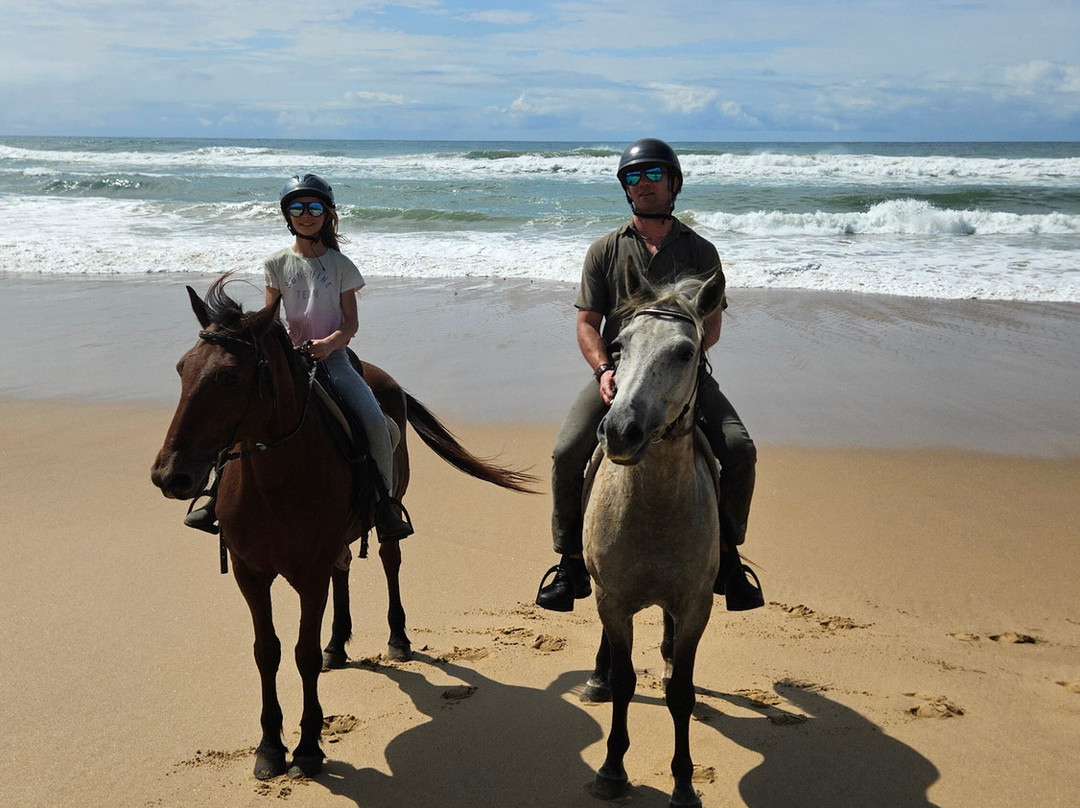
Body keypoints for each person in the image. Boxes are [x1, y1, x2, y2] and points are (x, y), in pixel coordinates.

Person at [534, 138, 764, 612]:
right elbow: (586, 323)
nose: (643, 185)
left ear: (674, 184)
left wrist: (674, 368)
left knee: (740, 449)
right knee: (565, 452)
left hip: (683, 379)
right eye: (633, 178)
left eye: (653, 175)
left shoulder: (701, 252)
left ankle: (728, 556)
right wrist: (603, 369)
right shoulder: (605, 251)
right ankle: (570, 561)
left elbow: (710, 329)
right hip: (619, 376)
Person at [184, 173, 413, 543]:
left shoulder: (342, 266)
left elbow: (351, 323)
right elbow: (270, 318)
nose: (306, 214)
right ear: (286, 215)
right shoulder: (276, 263)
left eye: (315, 207)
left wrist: (328, 344)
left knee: (374, 421)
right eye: (297, 207)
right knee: (237, 410)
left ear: (328, 214)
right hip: (286, 357)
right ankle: (214, 493)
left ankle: (385, 503)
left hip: (333, 358)